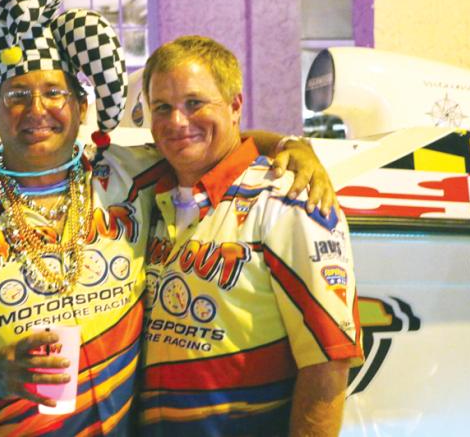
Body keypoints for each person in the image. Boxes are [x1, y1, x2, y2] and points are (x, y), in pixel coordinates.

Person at [0, 0, 339, 437]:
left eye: (54, 92)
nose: (37, 111)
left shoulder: (126, 174)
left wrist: (287, 145)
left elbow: (206, 141)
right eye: (16, 96)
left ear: (79, 105)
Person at [138, 36, 363, 437]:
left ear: (235, 105)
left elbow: (328, 361)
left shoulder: (291, 200)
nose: (177, 121)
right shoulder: (147, 192)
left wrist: (292, 146)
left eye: (195, 103)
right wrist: (285, 140)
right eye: (162, 108)